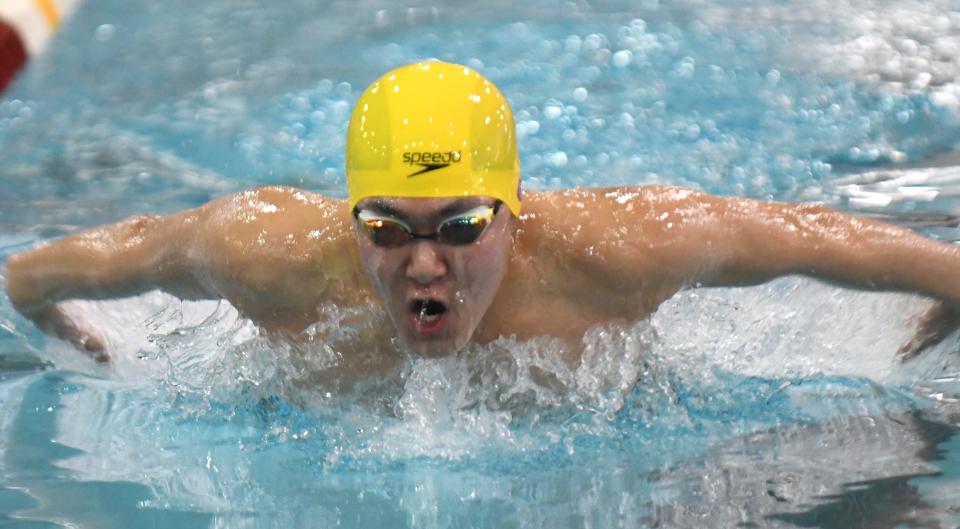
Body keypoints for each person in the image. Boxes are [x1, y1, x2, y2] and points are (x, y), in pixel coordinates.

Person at [4, 61, 959, 368]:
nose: (424, 262)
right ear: (350, 220)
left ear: (513, 212)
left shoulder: (622, 248)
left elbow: (823, 238)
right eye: (387, 227)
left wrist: (944, 303)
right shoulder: (264, 255)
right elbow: (43, 272)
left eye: (459, 226)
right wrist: (76, 348)